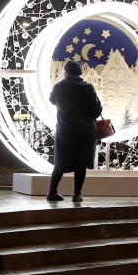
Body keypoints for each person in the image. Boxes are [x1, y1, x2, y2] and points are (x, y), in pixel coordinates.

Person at [48, 60, 103, 202]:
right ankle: (77, 194)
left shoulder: (59, 86)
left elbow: (52, 100)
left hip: (65, 130)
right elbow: (96, 110)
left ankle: (52, 192)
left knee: (60, 162)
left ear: (66, 72)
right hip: (85, 131)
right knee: (81, 163)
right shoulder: (88, 87)